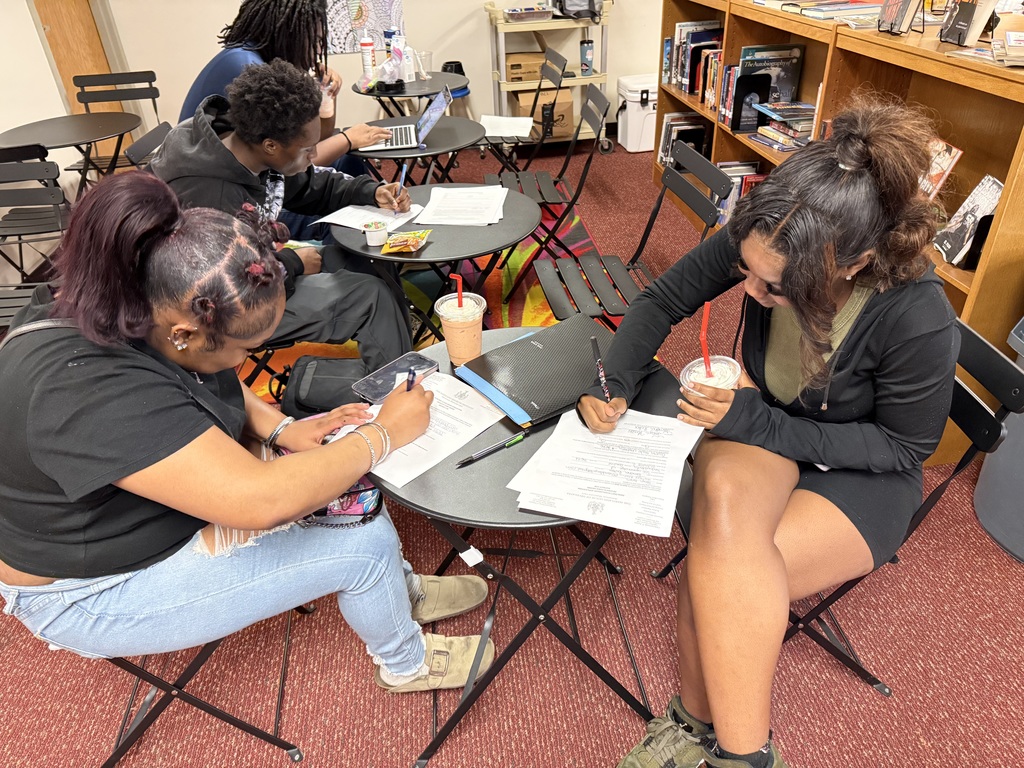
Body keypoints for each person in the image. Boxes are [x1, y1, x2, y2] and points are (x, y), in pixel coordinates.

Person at [0, 171, 493, 694]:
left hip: (127, 520)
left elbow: (210, 372)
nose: (246, 360)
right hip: (87, 590)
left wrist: (282, 428)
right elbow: (261, 500)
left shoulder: (141, 297)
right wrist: (384, 435)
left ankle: (397, 590)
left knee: (352, 486)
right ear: (186, 333)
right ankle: (405, 662)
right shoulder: (85, 391)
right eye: (244, 348)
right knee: (362, 544)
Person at [579, 96, 959, 768]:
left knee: (720, 572)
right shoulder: (771, 234)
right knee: (725, 554)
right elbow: (661, 299)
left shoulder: (918, 316)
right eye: (746, 272)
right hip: (767, 420)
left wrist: (751, 419)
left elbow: (904, 448)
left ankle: (716, 740)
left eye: (775, 286)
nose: (751, 291)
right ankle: (726, 745)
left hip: (863, 468)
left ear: (852, 262)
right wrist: (613, 383)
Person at [151, 59, 412, 372]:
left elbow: (310, 187)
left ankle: (397, 359)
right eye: (306, 150)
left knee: (373, 257)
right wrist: (294, 263)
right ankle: (399, 392)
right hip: (226, 314)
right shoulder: (211, 199)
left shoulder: (251, 149)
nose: (314, 156)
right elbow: (220, 293)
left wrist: (370, 191)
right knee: (370, 298)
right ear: (271, 146)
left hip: (264, 267)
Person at [178, 0, 390, 174]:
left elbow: (315, 140)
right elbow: (291, 164)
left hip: (244, 178)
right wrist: (348, 139)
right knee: (343, 169)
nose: (318, 51)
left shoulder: (254, 57)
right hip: (219, 195)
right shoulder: (248, 70)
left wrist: (327, 96)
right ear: (291, 35)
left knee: (347, 162)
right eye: (315, 41)